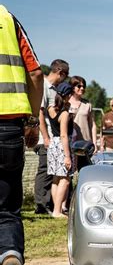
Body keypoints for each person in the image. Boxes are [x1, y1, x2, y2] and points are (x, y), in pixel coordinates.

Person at [0, 4, 43, 265]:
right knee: (7, 210)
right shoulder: (7, 17)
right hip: (9, 128)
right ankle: (10, 258)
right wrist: (32, 120)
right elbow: (36, 73)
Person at [34, 59, 69, 214]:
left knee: (51, 174)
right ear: (60, 71)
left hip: (52, 137)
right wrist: (46, 137)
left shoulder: (53, 89)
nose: (65, 79)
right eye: (65, 75)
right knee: (44, 172)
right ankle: (40, 205)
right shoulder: (44, 86)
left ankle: (49, 204)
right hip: (46, 138)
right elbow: (40, 113)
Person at [46, 82, 75, 218]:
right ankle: (57, 211)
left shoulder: (51, 109)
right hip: (61, 144)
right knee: (65, 179)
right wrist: (67, 156)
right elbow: (64, 134)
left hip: (53, 143)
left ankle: (55, 209)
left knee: (56, 179)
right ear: (68, 95)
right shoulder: (64, 114)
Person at [68, 76, 97, 171]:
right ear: (72, 87)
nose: (82, 88)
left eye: (84, 86)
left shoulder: (87, 104)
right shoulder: (65, 102)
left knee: (85, 171)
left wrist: (95, 143)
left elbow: (92, 125)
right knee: (68, 175)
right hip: (70, 144)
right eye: (79, 86)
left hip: (85, 144)